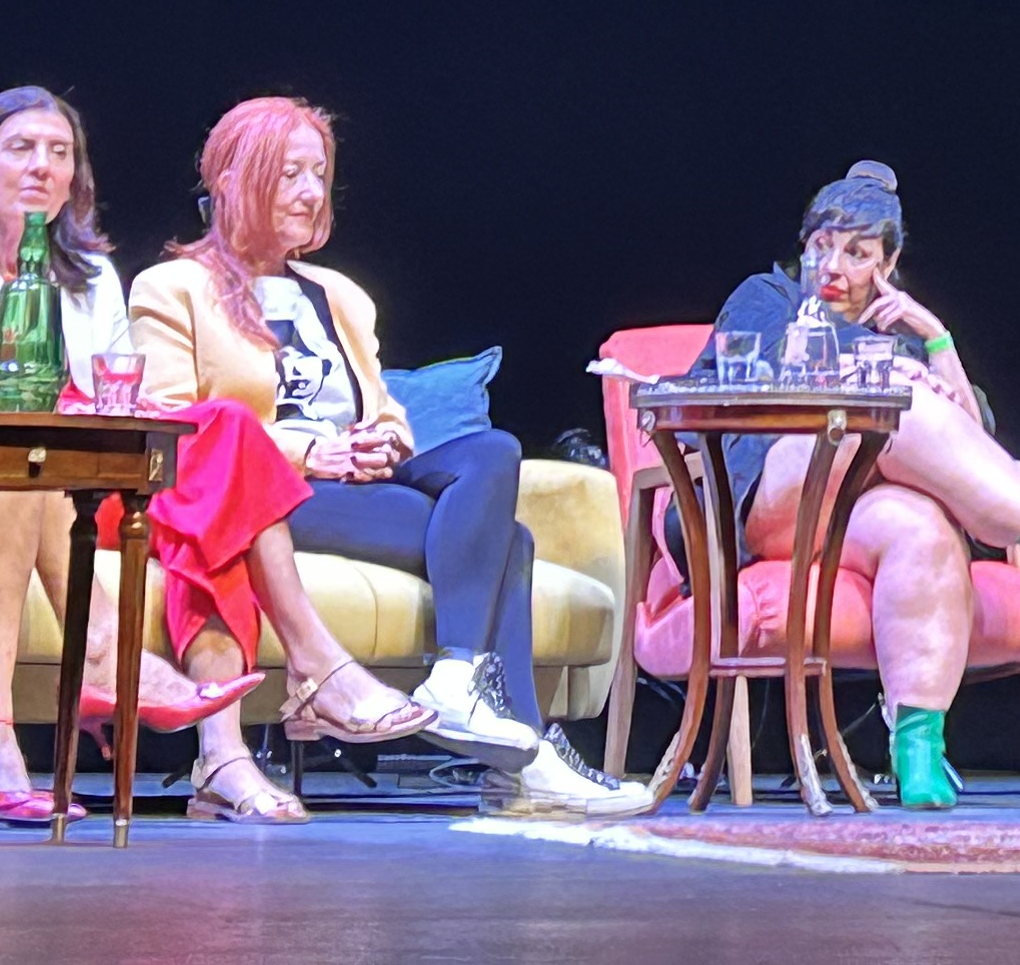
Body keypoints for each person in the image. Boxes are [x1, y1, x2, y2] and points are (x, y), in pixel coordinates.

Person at [130, 96, 648, 823]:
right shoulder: (172, 288)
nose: (311, 192)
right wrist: (315, 451)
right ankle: (524, 760)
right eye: (289, 174)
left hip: (357, 480)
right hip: (266, 494)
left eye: (319, 174)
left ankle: (459, 680)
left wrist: (384, 440)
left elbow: (381, 405)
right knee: (511, 542)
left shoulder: (340, 295)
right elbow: (174, 421)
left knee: (493, 452)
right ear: (233, 179)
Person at [702, 162, 1020, 807]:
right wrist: (890, 373)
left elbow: (974, 445)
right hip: (768, 500)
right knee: (894, 397)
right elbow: (770, 360)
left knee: (926, 526)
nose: (833, 266)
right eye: (822, 245)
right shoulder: (767, 297)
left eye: (857, 253)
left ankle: (917, 751)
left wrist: (936, 340)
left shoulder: (902, 339)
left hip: (853, 523)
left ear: (888, 264)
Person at [0, 86, 260, 820]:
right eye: (21, 148)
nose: (42, 166)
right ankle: (105, 654)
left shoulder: (91, 277)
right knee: (18, 439)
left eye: (60, 153)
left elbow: (113, 403)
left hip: (53, 484)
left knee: (32, 457)